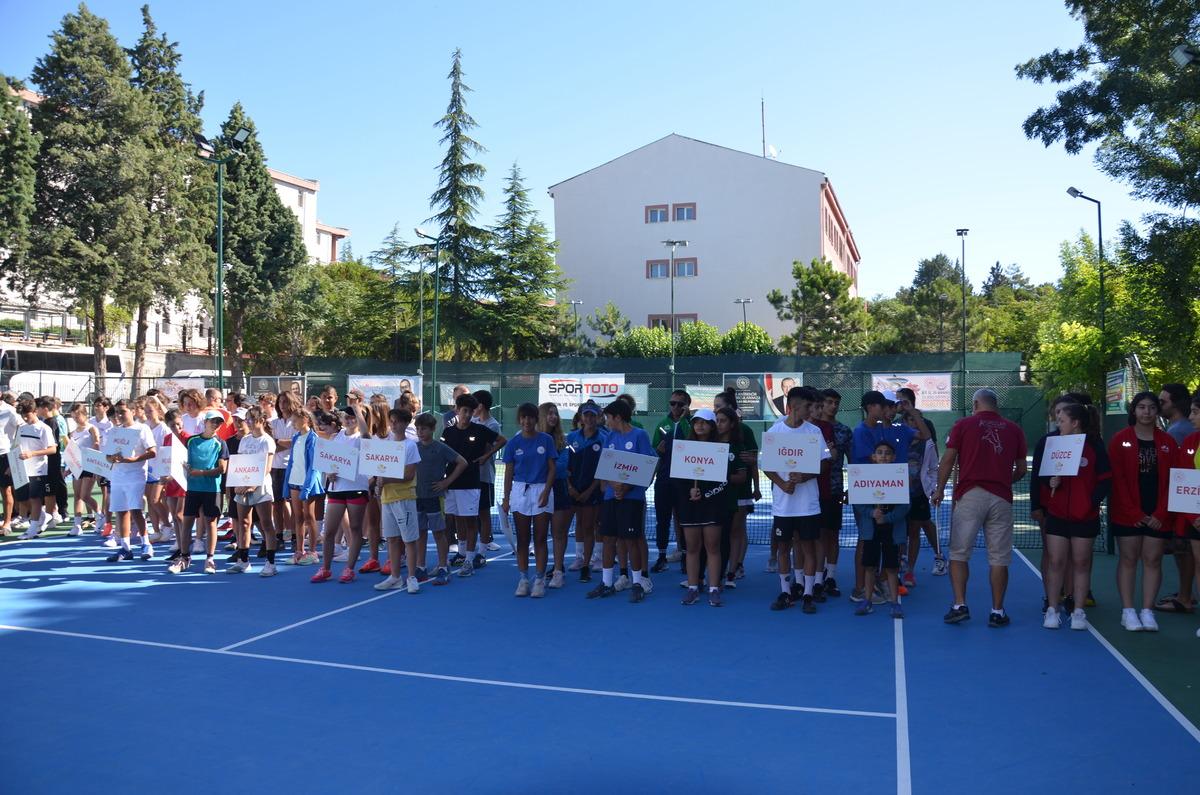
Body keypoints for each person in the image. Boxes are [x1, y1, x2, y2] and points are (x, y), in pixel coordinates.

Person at [933, 388, 1027, 627]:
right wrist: (1004, 481)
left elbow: (948, 459)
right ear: (996, 404)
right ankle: (997, 611)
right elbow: (1021, 469)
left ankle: (959, 605)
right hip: (1002, 498)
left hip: (970, 495)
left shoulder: (963, 425)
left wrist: (939, 489)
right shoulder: (1014, 429)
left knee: (958, 553)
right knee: (999, 558)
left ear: (976, 404)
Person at [1107, 391, 1178, 631]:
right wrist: (1133, 512)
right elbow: (1117, 480)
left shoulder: (1168, 442)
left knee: (1153, 560)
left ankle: (1147, 612)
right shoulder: (1119, 439)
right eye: (1141, 407)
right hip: (1127, 514)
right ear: (1134, 411)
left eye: (1151, 408)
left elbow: (1173, 481)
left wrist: (1160, 513)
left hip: (1159, 514)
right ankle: (1128, 612)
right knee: (1128, 559)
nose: (1146, 412)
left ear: (1157, 412)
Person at [1036, 402, 1110, 631]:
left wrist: (1090, 502)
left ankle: (1078, 612)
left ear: (1075, 423)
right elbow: (1042, 477)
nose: (1058, 424)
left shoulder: (1095, 446)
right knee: (1056, 562)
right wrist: (1050, 483)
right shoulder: (1053, 444)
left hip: (1085, 517)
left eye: (1062, 421)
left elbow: (1105, 479)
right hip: (1057, 515)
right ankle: (1052, 610)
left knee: (1081, 563)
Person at [764, 386, 831, 614]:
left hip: (808, 504)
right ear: (793, 407)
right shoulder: (775, 431)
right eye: (807, 406)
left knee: (808, 549)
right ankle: (785, 591)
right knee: (784, 549)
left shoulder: (813, 432)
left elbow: (823, 464)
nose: (811, 410)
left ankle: (808, 594)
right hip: (783, 505)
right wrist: (782, 483)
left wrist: (804, 476)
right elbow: (767, 466)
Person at [587, 398, 656, 602]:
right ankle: (606, 583)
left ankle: (637, 583)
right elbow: (606, 465)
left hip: (632, 498)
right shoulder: (610, 437)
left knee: (631, 540)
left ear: (618, 417)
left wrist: (626, 487)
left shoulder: (639, 435)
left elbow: (647, 466)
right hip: (610, 496)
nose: (606, 421)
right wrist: (613, 485)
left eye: (608, 417)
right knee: (608, 538)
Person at [678, 408, 746, 607]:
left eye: (705, 422)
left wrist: (705, 494)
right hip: (689, 506)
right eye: (696, 422)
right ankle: (693, 588)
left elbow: (724, 480)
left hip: (713, 506)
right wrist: (690, 492)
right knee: (691, 548)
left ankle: (714, 589)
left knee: (713, 548)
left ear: (712, 426)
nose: (700, 425)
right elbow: (678, 479)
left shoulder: (720, 450)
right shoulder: (684, 448)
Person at [440, 393, 501, 577]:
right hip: (451, 483)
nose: (467, 415)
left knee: (471, 521)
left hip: (471, 484)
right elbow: (442, 454)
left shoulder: (480, 430)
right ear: (457, 411)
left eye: (470, 411)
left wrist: (486, 456)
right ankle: (462, 552)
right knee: (457, 519)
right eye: (464, 411)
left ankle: (469, 560)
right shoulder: (448, 432)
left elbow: (502, 440)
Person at [502, 403, 557, 597]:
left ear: (536, 419)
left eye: (530, 417)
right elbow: (508, 472)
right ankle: (524, 579)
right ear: (519, 419)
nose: (527, 421)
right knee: (523, 539)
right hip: (519, 491)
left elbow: (552, 468)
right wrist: (506, 498)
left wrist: (547, 490)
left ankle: (540, 579)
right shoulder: (513, 443)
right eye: (523, 418)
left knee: (541, 538)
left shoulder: (546, 440)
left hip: (542, 490)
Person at [312, 407, 373, 583]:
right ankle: (325, 568)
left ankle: (349, 568)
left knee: (355, 530)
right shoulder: (335, 437)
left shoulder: (362, 438)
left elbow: (367, 436)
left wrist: (359, 411)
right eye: (347, 417)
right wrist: (329, 472)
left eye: (353, 417)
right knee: (329, 531)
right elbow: (328, 461)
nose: (349, 420)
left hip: (357, 488)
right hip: (337, 489)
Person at [853, 440, 909, 619]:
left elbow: (905, 506)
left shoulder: (900, 476)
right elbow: (858, 502)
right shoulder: (864, 475)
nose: (883, 455)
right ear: (873, 457)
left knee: (891, 568)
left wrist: (887, 517)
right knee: (869, 566)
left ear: (893, 457)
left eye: (887, 453)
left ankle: (895, 603)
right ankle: (867, 601)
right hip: (871, 530)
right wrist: (872, 512)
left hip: (892, 530)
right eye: (879, 452)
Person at [412, 411, 468, 586]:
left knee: (438, 533)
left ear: (433, 429)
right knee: (420, 533)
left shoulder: (440, 447)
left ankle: (443, 567)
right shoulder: (414, 447)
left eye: (424, 429)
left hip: (435, 497)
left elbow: (462, 462)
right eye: (418, 429)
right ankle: (420, 567)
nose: (421, 432)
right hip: (416, 497)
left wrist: (446, 482)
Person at [167, 412, 227, 573]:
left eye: (219, 422)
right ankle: (184, 557)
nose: (216, 424)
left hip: (212, 490)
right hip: (192, 489)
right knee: (186, 523)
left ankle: (210, 559)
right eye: (213, 421)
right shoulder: (192, 441)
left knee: (211, 523)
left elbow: (222, 469)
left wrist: (200, 473)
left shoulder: (220, 443)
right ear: (205, 422)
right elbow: (181, 461)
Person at [1155, 382, 1197, 614]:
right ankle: (1185, 593)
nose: (1158, 405)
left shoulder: (1179, 431)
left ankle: (1185, 596)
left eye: (1163, 401)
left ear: (1176, 403)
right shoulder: (1178, 429)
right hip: (1184, 501)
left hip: (1184, 503)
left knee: (1184, 549)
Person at [101, 399, 158, 562]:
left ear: (133, 411)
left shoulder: (142, 428)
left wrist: (134, 459)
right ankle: (125, 548)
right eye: (117, 412)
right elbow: (107, 456)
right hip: (118, 476)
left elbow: (152, 452)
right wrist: (113, 458)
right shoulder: (114, 431)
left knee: (135, 509)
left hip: (136, 475)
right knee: (121, 510)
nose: (119, 415)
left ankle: (146, 544)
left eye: (123, 411)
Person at [373, 412, 422, 593]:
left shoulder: (410, 446)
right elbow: (378, 470)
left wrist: (386, 479)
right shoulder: (385, 446)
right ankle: (395, 577)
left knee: (409, 540)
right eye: (391, 422)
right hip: (387, 498)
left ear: (405, 423)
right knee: (392, 539)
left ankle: (411, 577)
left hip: (405, 498)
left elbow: (409, 475)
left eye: (397, 422)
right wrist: (377, 481)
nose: (393, 425)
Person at [229, 406, 275, 576]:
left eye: (251, 419)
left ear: (261, 421)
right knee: (244, 523)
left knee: (266, 524)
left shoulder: (267, 440)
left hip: (261, 488)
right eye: (247, 419)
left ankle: (270, 563)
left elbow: (267, 467)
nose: (247, 422)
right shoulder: (245, 440)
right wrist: (238, 483)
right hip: (243, 486)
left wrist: (253, 485)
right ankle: (243, 560)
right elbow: (240, 464)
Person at [565, 402, 608, 583]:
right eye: (586, 415)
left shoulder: (604, 438)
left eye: (593, 415)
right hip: (572, 490)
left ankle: (586, 566)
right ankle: (579, 557)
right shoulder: (571, 438)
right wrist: (569, 487)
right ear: (581, 417)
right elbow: (564, 465)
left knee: (590, 526)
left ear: (598, 417)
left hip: (593, 491)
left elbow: (604, 468)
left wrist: (590, 490)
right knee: (578, 525)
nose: (589, 419)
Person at [650, 389, 691, 572]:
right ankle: (661, 557)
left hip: (684, 482)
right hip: (664, 481)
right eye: (672, 403)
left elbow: (696, 447)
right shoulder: (662, 424)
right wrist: (658, 451)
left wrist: (685, 420)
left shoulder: (691, 424)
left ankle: (685, 557)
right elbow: (653, 455)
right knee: (662, 520)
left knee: (684, 520)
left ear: (686, 406)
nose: (675, 407)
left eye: (679, 404)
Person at [817, 389, 853, 592]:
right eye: (829, 402)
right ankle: (816, 576)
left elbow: (853, 460)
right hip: (812, 489)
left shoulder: (844, 431)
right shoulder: (811, 428)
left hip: (835, 489)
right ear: (820, 404)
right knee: (816, 535)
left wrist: (852, 488)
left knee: (833, 534)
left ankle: (830, 576)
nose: (833, 406)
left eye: (836, 403)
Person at [1173, 394, 1200, 638]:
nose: (1191, 417)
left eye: (1195, 412)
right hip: (1196, 520)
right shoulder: (1191, 441)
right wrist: (1194, 517)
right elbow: (1184, 480)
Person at [538, 402, 573, 588]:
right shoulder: (530, 437)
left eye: (555, 413)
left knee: (559, 532)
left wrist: (543, 468)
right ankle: (540, 573)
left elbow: (562, 467)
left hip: (558, 489)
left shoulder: (562, 440)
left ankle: (558, 571)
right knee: (541, 534)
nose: (553, 417)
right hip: (538, 490)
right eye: (549, 413)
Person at [284, 408, 325, 565]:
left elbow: (314, 466)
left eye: (295, 420)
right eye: (292, 421)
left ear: (305, 419)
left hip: (308, 485)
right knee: (298, 517)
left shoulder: (313, 438)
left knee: (309, 517)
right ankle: (299, 551)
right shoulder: (295, 438)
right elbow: (293, 462)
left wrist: (307, 488)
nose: (292, 424)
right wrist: (286, 485)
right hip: (294, 482)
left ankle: (313, 552)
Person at [14, 398, 57, 540]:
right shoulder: (22, 427)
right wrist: (12, 465)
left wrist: (32, 454)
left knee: (35, 498)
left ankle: (32, 529)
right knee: (23, 499)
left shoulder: (44, 428)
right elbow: (17, 447)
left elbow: (52, 449)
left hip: (38, 469)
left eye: (28, 415)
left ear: (35, 411)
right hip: (22, 470)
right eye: (23, 416)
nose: (25, 418)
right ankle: (44, 516)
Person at [472, 390, 506, 552]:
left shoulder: (492, 425)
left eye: (474, 404)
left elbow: (489, 446)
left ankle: (483, 549)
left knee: (484, 513)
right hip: (469, 476)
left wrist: (485, 456)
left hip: (485, 476)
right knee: (471, 512)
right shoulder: (472, 421)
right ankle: (468, 548)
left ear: (481, 406)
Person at [66, 402, 100, 538]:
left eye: (78, 416)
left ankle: (100, 515)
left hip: (90, 464)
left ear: (84, 414)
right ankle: (77, 525)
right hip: (77, 466)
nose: (76, 419)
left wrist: (96, 463)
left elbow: (96, 444)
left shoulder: (91, 428)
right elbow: (71, 451)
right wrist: (69, 468)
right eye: (74, 417)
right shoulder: (72, 433)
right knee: (77, 496)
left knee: (85, 495)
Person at [0, 391, 19, 535]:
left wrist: (15, 454)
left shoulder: (10, 411)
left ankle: (7, 523)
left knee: (6, 490)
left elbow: (22, 429)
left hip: (4, 454)